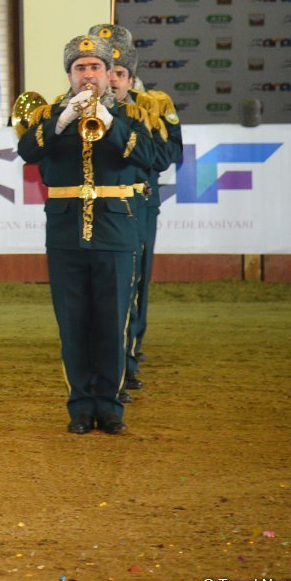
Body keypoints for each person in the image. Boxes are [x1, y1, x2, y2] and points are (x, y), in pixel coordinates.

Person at [17, 34, 164, 435]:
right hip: (66, 234)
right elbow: (28, 151)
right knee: (73, 325)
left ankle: (110, 407)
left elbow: (154, 158)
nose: (88, 75)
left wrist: (110, 120)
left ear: (106, 74)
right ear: (69, 74)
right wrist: (62, 120)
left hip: (116, 231)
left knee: (112, 322)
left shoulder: (133, 114)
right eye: (80, 68)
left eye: (95, 68)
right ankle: (80, 406)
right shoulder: (51, 113)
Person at [91, 23, 183, 398]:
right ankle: (102, 357)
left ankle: (127, 359)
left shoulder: (152, 106)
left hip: (139, 204)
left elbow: (167, 156)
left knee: (134, 283)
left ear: (131, 74)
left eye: (119, 72)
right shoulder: (83, 103)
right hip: (96, 205)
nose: (111, 79)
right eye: (104, 70)